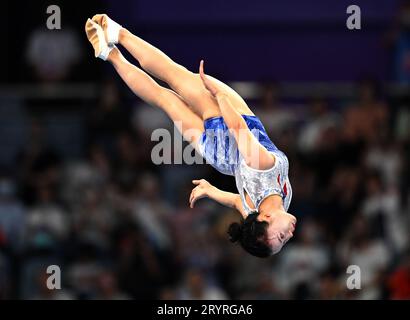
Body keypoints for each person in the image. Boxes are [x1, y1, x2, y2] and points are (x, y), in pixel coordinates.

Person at [85, 14, 296, 258]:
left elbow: (238, 128)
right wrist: (211, 191)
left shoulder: (264, 168)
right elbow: (237, 201)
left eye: (280, 236)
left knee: (173, 75)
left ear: (266, 218)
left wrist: (219, 95)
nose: (289, 235)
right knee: (162, 99)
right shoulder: (255, 210)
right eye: (284, 240)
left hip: (230, 127)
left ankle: (118, 34)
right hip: (220, 159)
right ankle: (110, 54)